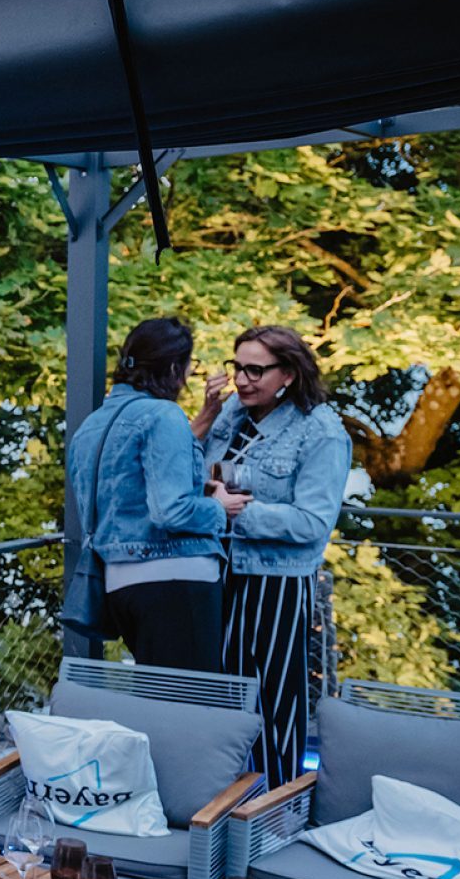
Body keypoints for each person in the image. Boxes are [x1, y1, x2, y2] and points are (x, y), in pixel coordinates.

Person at [194, 324, 350, 782]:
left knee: (275, 709)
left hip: (275, 586)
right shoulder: (230, 417)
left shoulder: (321, 431)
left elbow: (313, 525)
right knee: (219, 703)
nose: (241, 380)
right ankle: (216, 808)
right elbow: (185, 472)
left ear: (288, 374)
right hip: (215, 576)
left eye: (255, 370)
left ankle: (275, 811)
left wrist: (239, 512)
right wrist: (204, 414)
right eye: (237, 367)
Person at [64, 317, 234, 672]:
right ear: (174, 367)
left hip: (119, 583)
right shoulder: (163, 415)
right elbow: (170, 512)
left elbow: (126, 494)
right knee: (192, 704)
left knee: (159, 699)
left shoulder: (91, 426)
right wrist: (218, 507)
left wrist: (204, 420)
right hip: (175, 578)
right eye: (187, 367)